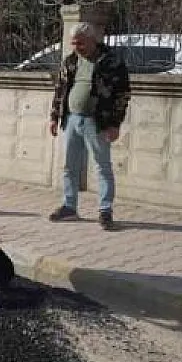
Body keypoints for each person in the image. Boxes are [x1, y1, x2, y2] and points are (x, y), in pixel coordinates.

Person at [47, 22, 131, 230]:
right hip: (72, 119)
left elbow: (122, 94)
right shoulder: (71, 61)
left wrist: (115, 124)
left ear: (93, 41)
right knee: (69, 166)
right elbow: (60, 89)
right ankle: (69, 206)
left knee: (102, 166)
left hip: (98, 121)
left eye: (81, 44)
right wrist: (54, 116)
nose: (77, 47)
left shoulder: (111, 62)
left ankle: (105, 211)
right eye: (73, 43)